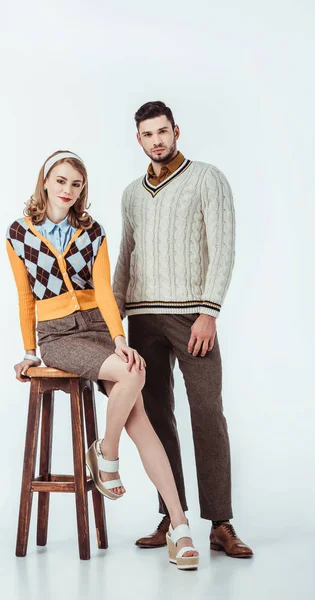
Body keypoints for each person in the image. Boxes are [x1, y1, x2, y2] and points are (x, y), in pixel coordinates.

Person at [5, 150, 199, 570]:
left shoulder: (92, 232)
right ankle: (107, 458)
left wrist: (119, 339)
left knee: (137, 401)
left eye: (75, 184)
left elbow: (106, 292)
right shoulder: (19, 233)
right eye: (60, 181)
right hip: (57, 336)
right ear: (45, 182)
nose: (68, 191)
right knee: (132, 380)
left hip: (97, 328)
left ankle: (178, 526)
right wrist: (28, 352)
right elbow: (25, 298)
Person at [113, 102, 253, 558]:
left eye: (162, 132)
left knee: (207, 415)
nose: (156, 140)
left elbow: (224, 245)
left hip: (193, 316)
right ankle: (171, 518)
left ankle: (221, 523)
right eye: (147, 134)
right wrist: (115, 317)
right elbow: (124, 257)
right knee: (156, 420)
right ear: (138, 139)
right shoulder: (132, 193)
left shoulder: (207, 178)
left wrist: (210, 311)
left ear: (176, 131)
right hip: (141, 318)